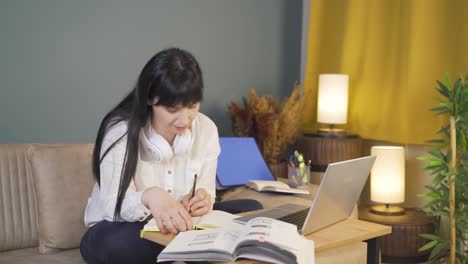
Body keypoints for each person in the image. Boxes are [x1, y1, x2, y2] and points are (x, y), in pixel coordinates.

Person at [80, 48, 222, 264]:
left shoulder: (207, 129)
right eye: (173, 109)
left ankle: (181, 253)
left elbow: (207, 190)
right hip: (121, 227)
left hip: (180, 226)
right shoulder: (120, 132)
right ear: (149, 99)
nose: (185, 119)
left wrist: (204, 199)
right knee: (113, 245)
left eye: (192, 106)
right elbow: (111, 206)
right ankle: (188, 253)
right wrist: (150, 196)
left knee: (251, 209)